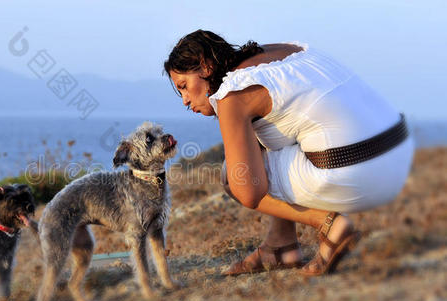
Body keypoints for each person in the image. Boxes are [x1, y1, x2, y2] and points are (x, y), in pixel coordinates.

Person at [163, 30, 414, 276]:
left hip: (363, 173)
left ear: (205, 68)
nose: (185, 100)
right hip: (398, 150)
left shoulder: (232, 95)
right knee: (273, 138)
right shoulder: (288, 51)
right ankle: (280, 246)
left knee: (234, 176)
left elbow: (248, 193)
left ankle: (330, 224)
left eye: (184, 86)